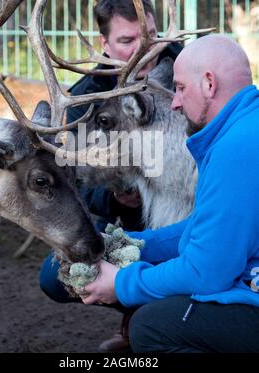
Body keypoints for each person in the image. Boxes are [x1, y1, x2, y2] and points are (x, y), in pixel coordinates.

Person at [80, 34, 259, 353]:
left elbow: (206, 272)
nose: (174, 103)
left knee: (152, 326)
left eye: (179, 88)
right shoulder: (241, 129)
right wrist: (132, 246)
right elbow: (202, 231)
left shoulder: (237, 149)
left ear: (208, 84)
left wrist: (120, 284)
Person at [40, 0, 182, 352]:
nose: (144, 49)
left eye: (150, 36)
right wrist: (114, 198)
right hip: (129, 221)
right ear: (104, 44)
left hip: (194, 210)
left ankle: (164, 323)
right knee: (54, 276)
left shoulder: (186, 70)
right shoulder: (85, 100)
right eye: (127, 40)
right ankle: (139, 313)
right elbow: (72, 177)